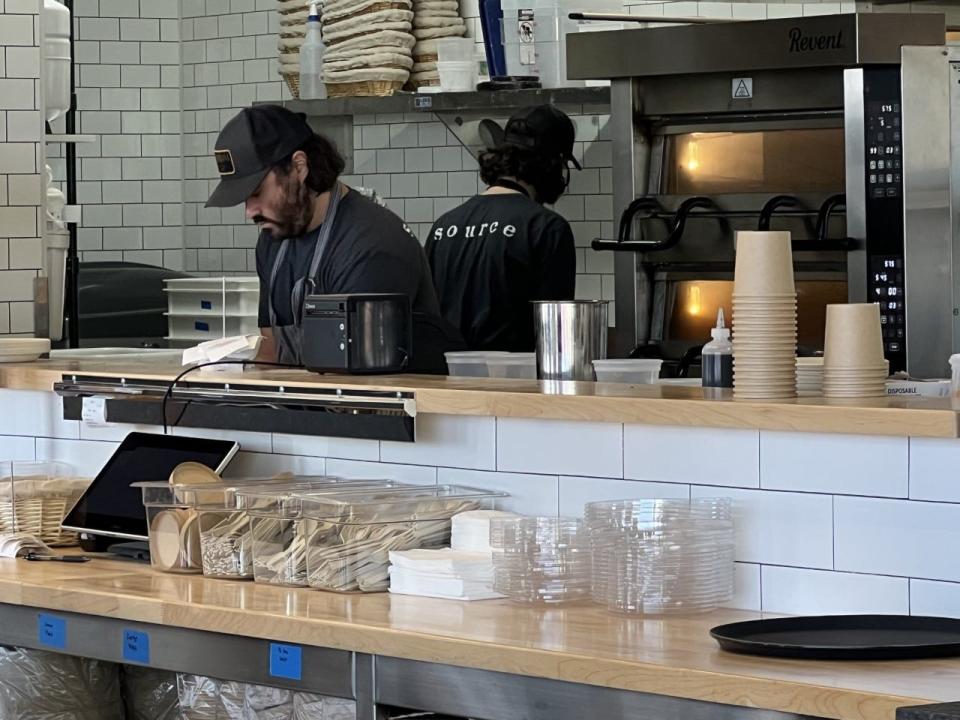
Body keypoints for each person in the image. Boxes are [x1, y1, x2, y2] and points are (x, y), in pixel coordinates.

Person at [205, 105, 442, 366]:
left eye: (257, 192)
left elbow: (359, 373)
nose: (250, 211)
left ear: (299, 166)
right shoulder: (274, 238)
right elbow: (272, 342)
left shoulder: (371, 245)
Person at [425, 104, 578, 352]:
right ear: (551, 164)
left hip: (446, 381)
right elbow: (553, 333)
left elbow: (428, 316)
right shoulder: (546, 228)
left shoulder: (444, 225)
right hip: (515, 384)